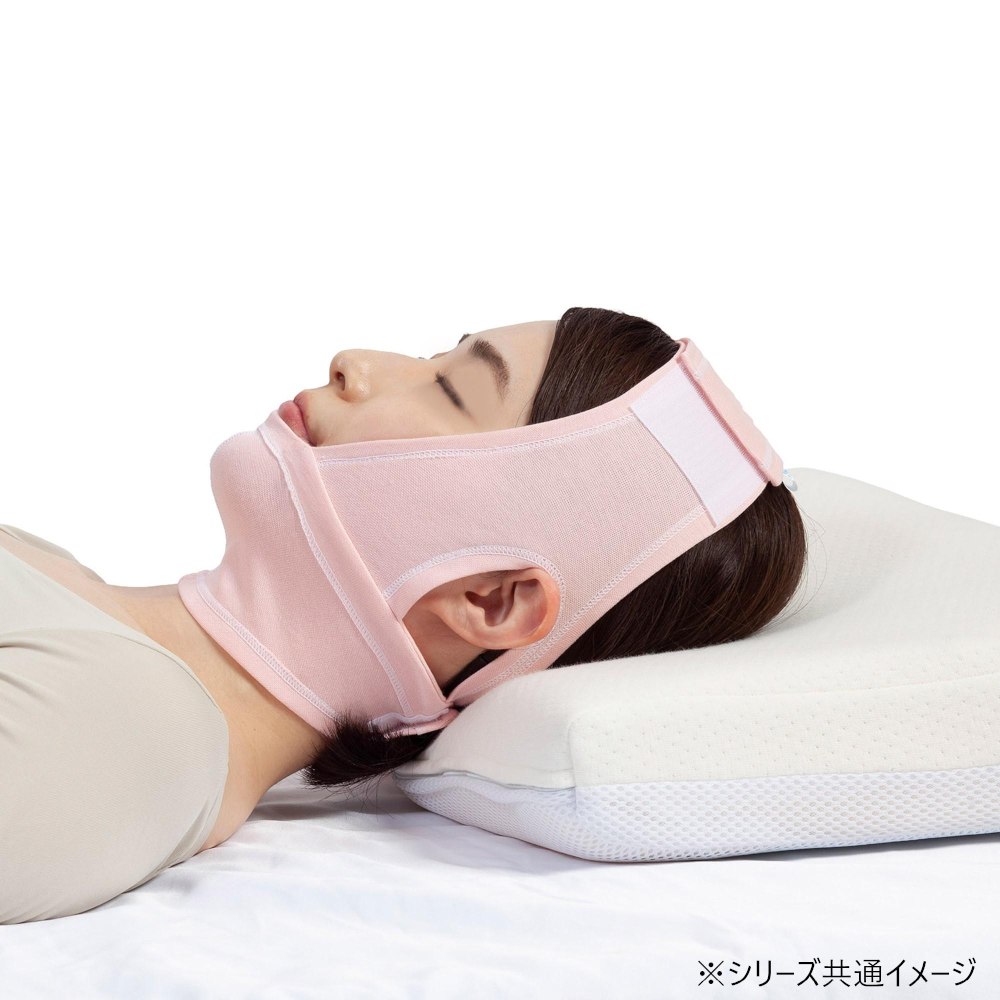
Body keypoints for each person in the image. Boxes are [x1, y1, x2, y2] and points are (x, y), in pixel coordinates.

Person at [0, 306, 805, 923]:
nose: (354, 362)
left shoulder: (125, 738)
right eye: (434, 361)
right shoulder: (70, 600)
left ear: (489, 600)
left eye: (449, 389)